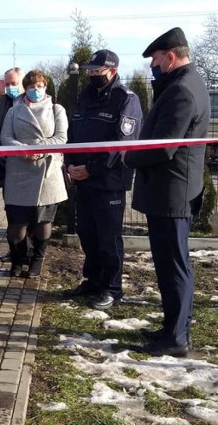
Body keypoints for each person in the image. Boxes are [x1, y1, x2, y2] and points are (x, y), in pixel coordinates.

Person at [123, 27, 210, 357]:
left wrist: (127, 156)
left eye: (156, 60)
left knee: (174, 264)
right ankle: (174, 327)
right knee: (173, 262)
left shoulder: (181, 90)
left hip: (171, 191)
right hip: (171, 190)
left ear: (170, 57)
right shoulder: (188, 83)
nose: (152, 66)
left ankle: (176, 338)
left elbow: (163, 147)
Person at [64, 50, 143, 309]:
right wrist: (71, 165)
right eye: (91, 71)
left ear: (112, 70)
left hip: (108, 180)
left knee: (108, 237)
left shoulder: (126, 100)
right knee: (87, 233)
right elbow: (73, 135)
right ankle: (94, 281)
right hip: (82, 178)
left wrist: (91, 169)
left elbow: (121, 146)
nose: (93, 75)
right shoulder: (86, 97)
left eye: (98, 71)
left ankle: (112, 287)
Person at [0, 69, 69, 278]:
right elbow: (5, 137)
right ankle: (18, 260)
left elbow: (61, 138)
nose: (35, 90)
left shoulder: (56, 109)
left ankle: (37, 261)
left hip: (47, 173)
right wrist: (23, 150)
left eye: (39, 86)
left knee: (42, 224)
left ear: (45, 87)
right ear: (25, 89)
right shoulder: (14, 111)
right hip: (19, 172)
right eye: (31, 87)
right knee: (16, 226)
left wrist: (40, 148)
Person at [0, 68, 28, 262]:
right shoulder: (1, 102)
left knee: (29, 212)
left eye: (13, 83)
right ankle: (14, 250)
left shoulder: (29, 102)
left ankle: (28, 251)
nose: (10, 87)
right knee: (11, 211)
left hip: (28, 166)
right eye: (6, 84)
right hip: (6, 167)